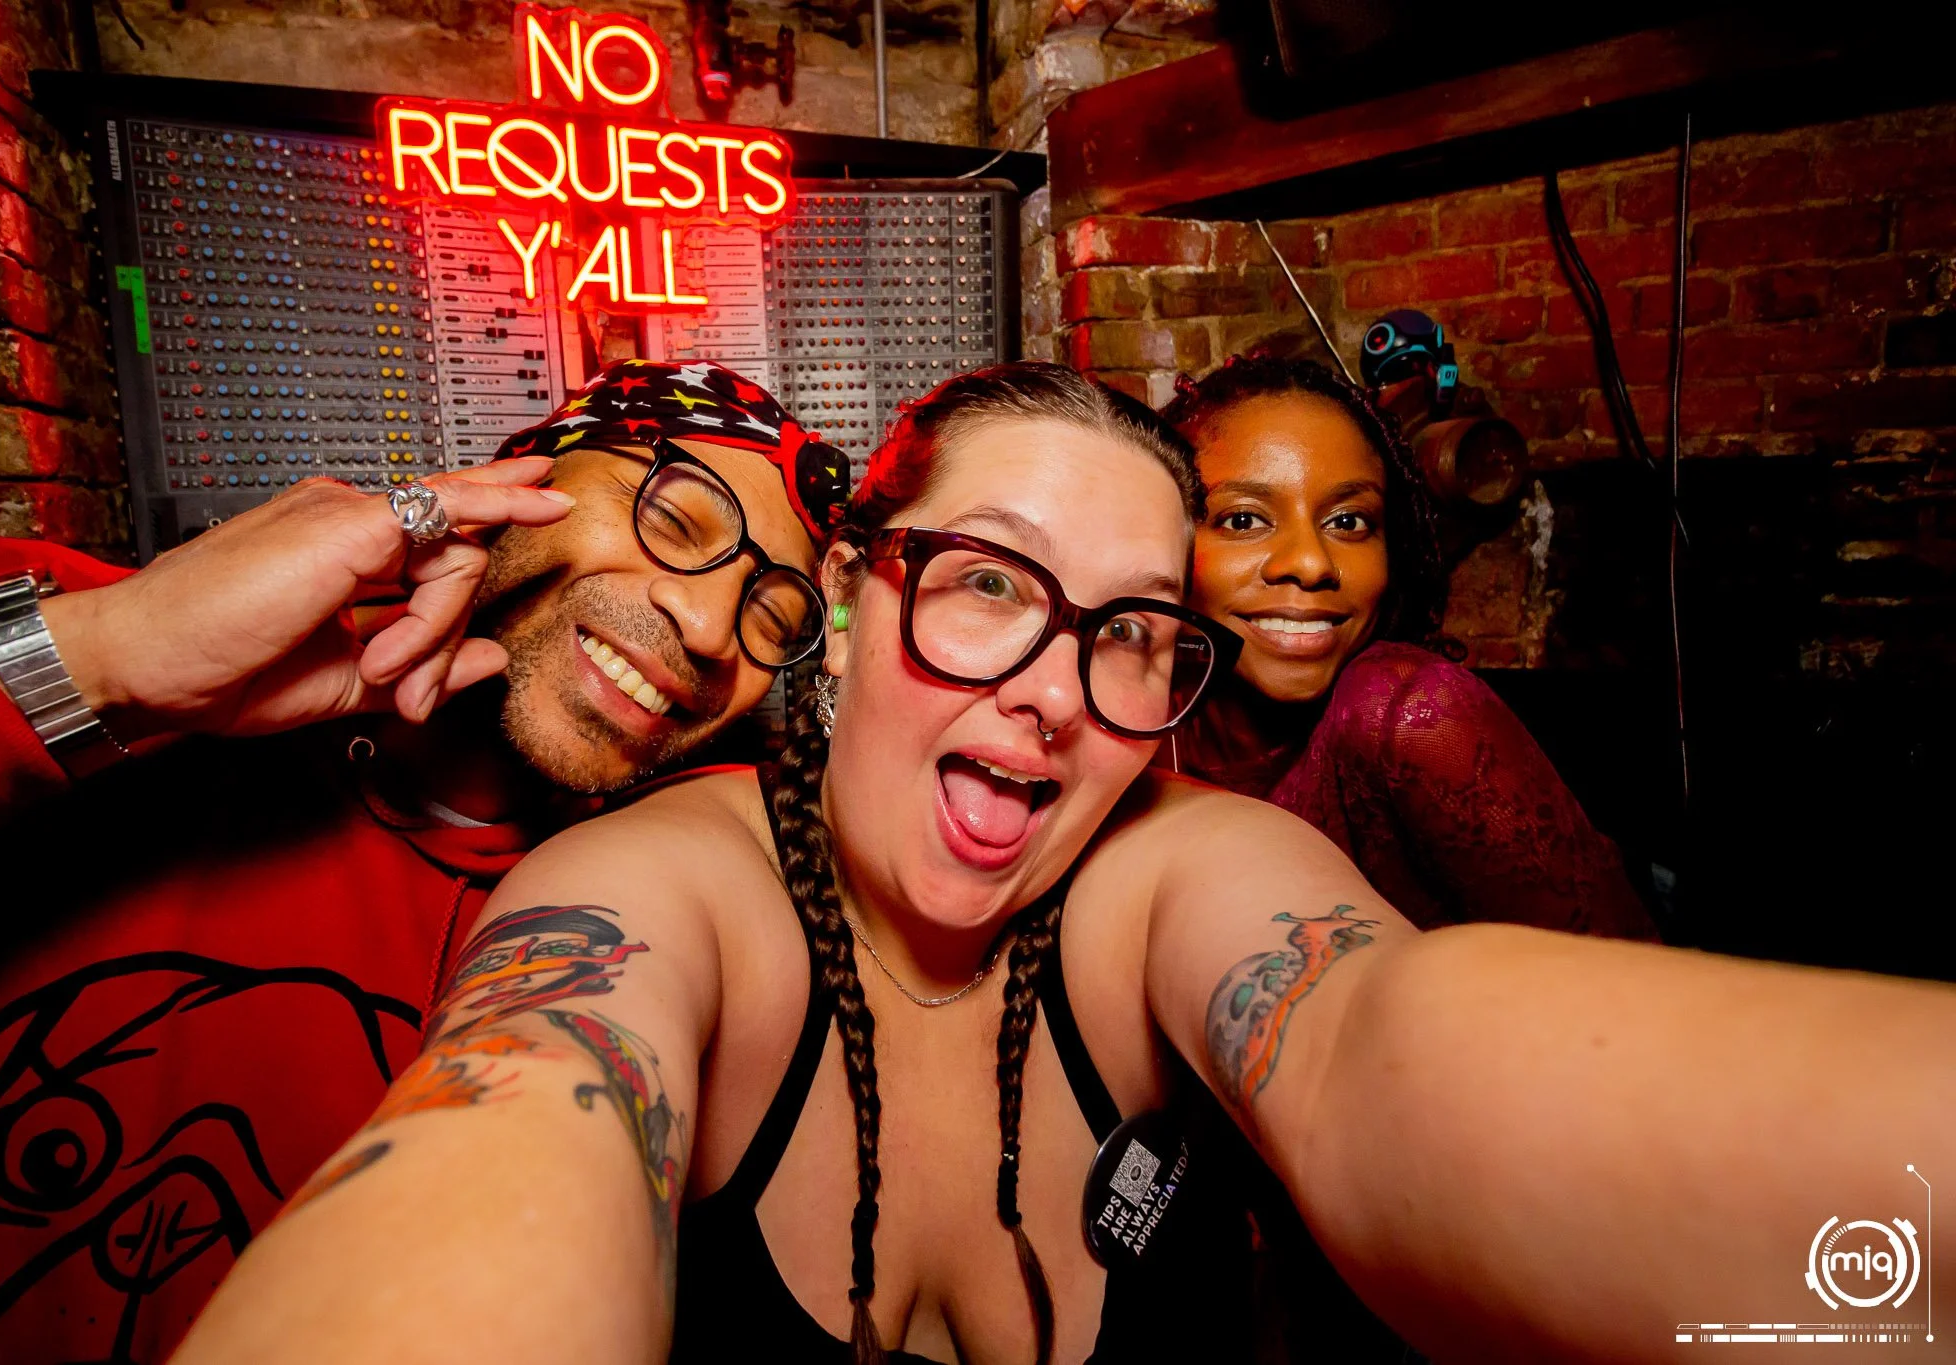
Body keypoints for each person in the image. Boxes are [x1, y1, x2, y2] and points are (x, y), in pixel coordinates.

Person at [168, 362, 1953, 1365]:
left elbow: (1379, 1040)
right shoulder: (676, 884)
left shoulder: (1172, 874)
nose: (1048, 690)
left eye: (1130, 631)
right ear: (849, 609)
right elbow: (519, 1106)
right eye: (987, 585)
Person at [0, 358, 848, 1365]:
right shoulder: (66, 633)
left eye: (771, 621)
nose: (709, 630)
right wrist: (105, 657)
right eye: (674, 518)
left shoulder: (645, 920)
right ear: (524, 474)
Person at [1163, 351, 1658, 940]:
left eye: (1348, 521)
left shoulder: (1408, 709)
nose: (1312, 563)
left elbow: (1630, 971)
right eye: (1244, 520)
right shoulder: (1127, 718)